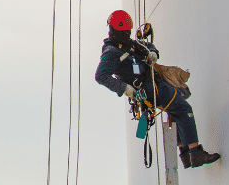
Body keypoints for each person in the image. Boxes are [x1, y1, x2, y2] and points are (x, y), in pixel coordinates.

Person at [95, 9, 221, 169]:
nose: (127, 33)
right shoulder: (111, 52)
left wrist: (153, 53)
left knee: (176, 111)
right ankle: (195, 153)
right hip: (147, 91)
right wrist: (124, 88)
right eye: (124, 31)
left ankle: (186, 154)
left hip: (152, 87)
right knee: (183, 109)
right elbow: (100, 75)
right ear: (115, 30)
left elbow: (148, 46)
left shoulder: (128, 45)